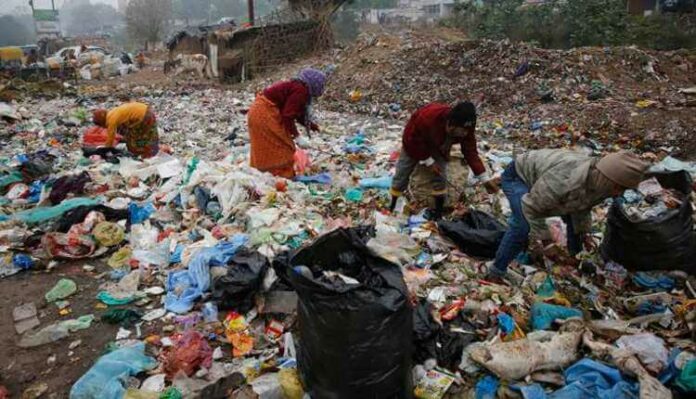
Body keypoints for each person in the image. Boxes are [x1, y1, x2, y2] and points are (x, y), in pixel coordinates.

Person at [488, 149, 649, 281]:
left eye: (623, 189)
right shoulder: (566, 178)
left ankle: (573, 260)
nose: (618, 194)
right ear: (608, 179)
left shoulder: (601, 183)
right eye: (618, 187)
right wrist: (548, 243)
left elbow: (582, 208)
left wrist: (583, 233)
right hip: (519, 176)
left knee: (576, 227)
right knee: (522, 225)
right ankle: (495, 272)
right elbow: (532, 208)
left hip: (544, 183)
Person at [389, 101, 496, 219]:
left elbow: (470, 152)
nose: (465, 134)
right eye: (462, 131)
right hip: (414, 141)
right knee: (402, 172)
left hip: (439, 144)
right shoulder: (428, 118)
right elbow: (411, 140)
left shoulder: (466, 129)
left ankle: (438, 213)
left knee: (440, 175)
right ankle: (392, 205)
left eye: (467, 131)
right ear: (451, 125)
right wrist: (429, 161)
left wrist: (485, 179)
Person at [247, 68, 326, 178]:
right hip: (264, 114)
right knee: (282, 146)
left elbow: (295, 112)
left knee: (273, 145)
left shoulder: (299, 87)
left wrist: (312, 126)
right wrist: (297, 137)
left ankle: (269, 174)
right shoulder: (301, 91)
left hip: (260, 112)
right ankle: (277, 175)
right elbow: (288, 116)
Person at [92, 102, 159, 158]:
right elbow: (126, 120)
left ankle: (146, 156)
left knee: (141, 138)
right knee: (149, 135)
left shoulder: (111, 121)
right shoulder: (111, 113)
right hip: (146, 110)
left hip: (144, 117)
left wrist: (106, 149)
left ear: (102, 122)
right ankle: (151, 153)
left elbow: (110, 137)